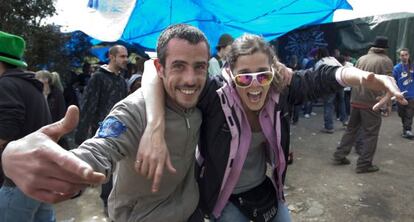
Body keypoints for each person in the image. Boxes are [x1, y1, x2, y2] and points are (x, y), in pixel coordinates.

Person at [136, 34, 407, 221]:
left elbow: (324, 78)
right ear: (230, 74)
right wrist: (154, 128)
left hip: (265, 190)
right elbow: (151, 67)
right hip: (222, 196)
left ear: (273, 72)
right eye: (245, 77)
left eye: (263, 75)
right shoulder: (214, 96)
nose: (255, 85)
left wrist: (366, 77)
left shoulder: (280, 91)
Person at [2, 24, 213, 222]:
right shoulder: (134, 110)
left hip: (190, 213)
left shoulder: (203, 100)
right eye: (178, 66)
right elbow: (101, 148)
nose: (190, 79)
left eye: (199, 67)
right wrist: (35, 158)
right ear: (160, 68)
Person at [0, 31, 54, 221]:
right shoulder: (30, 86)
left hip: (17, 181)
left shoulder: (5, 85)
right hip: (41, 177)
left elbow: (6, 129)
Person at [74, 45, 128, 214]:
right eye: (122, 56)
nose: (125, 59)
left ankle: (115, 202)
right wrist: (81, 134)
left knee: (119, 169)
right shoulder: (98, 77)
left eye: (126, 56)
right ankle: (107, 205)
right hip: (103, 132)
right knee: (106, 169)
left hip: (121, 131)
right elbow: (88, 105)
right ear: (112, 57)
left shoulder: (120, 80)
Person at [333, 36, 394, 173]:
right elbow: (388, 84)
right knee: (371, 133)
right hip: (372, 102)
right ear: (385, 48)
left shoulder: (362, 58)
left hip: (355, 99)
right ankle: (364, 164)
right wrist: (388, 105)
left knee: (351, 129)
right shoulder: (386, 61)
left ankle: (339, 155)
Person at [392, 48, 414, 139]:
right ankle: (405, 130)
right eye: (402, 55)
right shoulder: (396, 68)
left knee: (409, 113)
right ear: (399, 56)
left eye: (406, 55)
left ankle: (408, 130)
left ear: (408, 55)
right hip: (400, 95)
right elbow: (393, 82)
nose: (404, 57)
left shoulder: (412, 67)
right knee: (402, 113)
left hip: (411, 95)